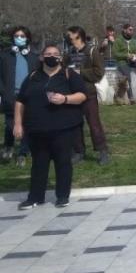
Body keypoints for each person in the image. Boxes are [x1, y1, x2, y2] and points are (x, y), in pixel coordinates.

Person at [15, 45, 87, 210]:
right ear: (41, 57)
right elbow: (20, 100)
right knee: (39, 164)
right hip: (37, 129)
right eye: (48, 54)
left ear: (60, 57)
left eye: (55, 54)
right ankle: (35, 197)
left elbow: (82, 95)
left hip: (63, 128)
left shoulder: (69, 75)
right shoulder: (33, 76)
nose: (51, 57)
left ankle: (62, 196)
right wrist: (18, 124)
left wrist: (65, 99)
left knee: (63, 162)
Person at [66, 26, 109, 166]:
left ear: (81, 37)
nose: (72, 41)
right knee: (75, 124)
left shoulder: (92, 51)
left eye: (74, 38)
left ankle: (102, 151)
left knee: (94, 123)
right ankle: (79, 151)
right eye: (70, 38)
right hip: (72, 94)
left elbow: (99, 72)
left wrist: (80, 72)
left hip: (88, 93)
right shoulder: (69, 52)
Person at [0, 26, 39, 167]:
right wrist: (3, 91)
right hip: (10, 96)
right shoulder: (4, 55)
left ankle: (23, 152)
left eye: (23, 36)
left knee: (26, 125)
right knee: (10, 124)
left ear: (27, 38)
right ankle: (8, 146)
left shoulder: (34, 57)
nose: (20, 38)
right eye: (17, 35)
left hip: (28, 96)